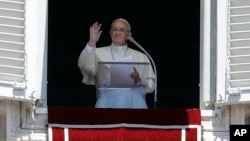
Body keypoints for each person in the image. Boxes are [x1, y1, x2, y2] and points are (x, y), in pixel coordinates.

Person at [78, 18, 155, 108]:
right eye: (114, 29)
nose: (117, 33)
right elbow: (84, 65)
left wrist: (139, 80)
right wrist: (92, 42)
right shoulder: (97, 52)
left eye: (121, 30)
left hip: (135, 104)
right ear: (110, 33)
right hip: (106, 104)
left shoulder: (141, 56)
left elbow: (151, 86)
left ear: (128, 35)